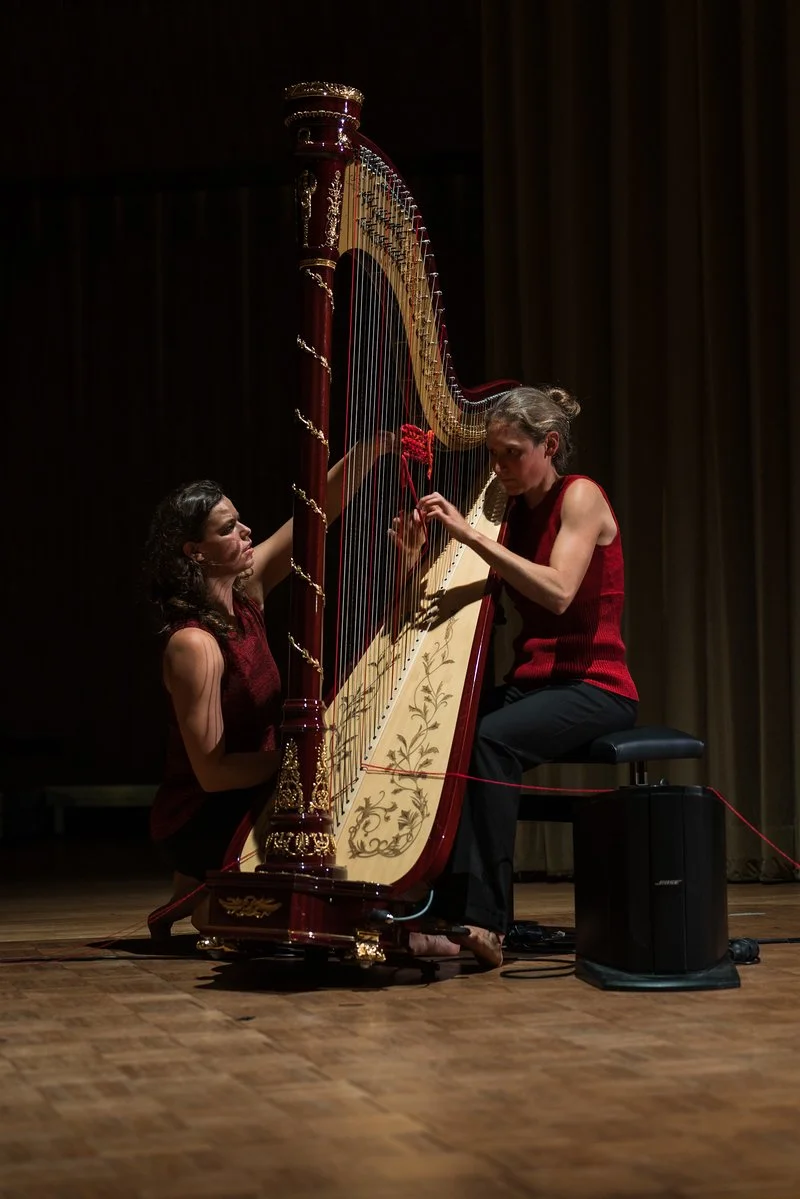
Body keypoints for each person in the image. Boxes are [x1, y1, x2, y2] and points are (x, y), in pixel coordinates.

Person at [408, 385, 639, 968]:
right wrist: (413, 560)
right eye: (493, 454)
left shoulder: (579, 496)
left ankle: (486, 922)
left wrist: (469, 535)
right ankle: (436, 909)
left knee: (489, 740)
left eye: (511, 453)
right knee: (444, 732)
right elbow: (447, 600)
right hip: (535, 683)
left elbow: (559, 592)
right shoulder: (505, 513)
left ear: (549, 445)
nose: (499, 467)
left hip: (595, 686)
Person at [143, 436, 392, 939]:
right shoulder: (194, 644)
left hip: (258, 787)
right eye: (228, 528)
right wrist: (300, 760)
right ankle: (206, 892)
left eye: (239, 520)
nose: (246, 531)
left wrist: (372, 449)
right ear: (196, 553)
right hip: (202, 813)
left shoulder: (246, 592)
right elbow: (212, 775)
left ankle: (197, 890)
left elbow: (314, 518)